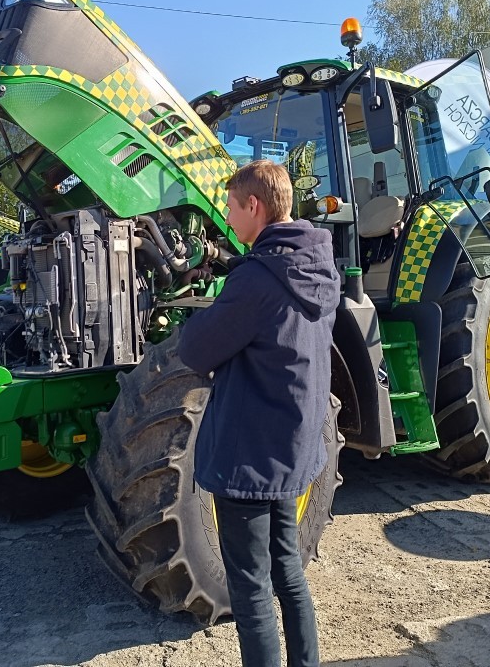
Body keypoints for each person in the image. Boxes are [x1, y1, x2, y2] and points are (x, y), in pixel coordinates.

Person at [179, 160, 340, 667]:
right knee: (288, 571)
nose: (227, 218)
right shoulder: (319, 269)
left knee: (250, 593)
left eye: (230, 207)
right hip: (293, 448)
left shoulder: (256, 279)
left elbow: (196, 350)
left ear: (255, 205)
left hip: (249, 456)